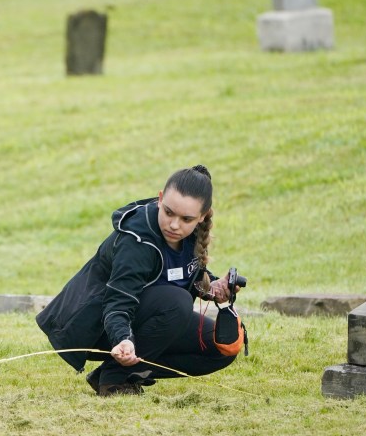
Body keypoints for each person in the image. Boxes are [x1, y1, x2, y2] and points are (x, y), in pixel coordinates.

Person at [36, 165, 243, 396]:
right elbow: (117, 301)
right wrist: (123, 339)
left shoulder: (190, 233)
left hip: (143, 318)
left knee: (220, 347)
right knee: (178, 302)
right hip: (94, 325)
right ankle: (114, 380)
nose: (174, 224)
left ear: (202, 216)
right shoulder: (136, 241)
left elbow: (179, 270)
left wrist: (212, 286)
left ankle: (113, 372)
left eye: (186, 218)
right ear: (160, 198)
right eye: (169, 212)